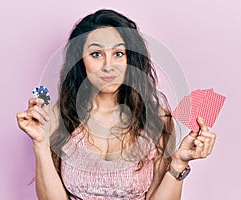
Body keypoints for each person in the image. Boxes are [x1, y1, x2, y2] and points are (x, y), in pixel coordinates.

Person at [16, 9, 216, 200]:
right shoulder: (57, 116)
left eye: (118, 53)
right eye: (96, 54)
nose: (108, 65)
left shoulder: (158, 120)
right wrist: (40, 143)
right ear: (80, 61)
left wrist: (179, 162)